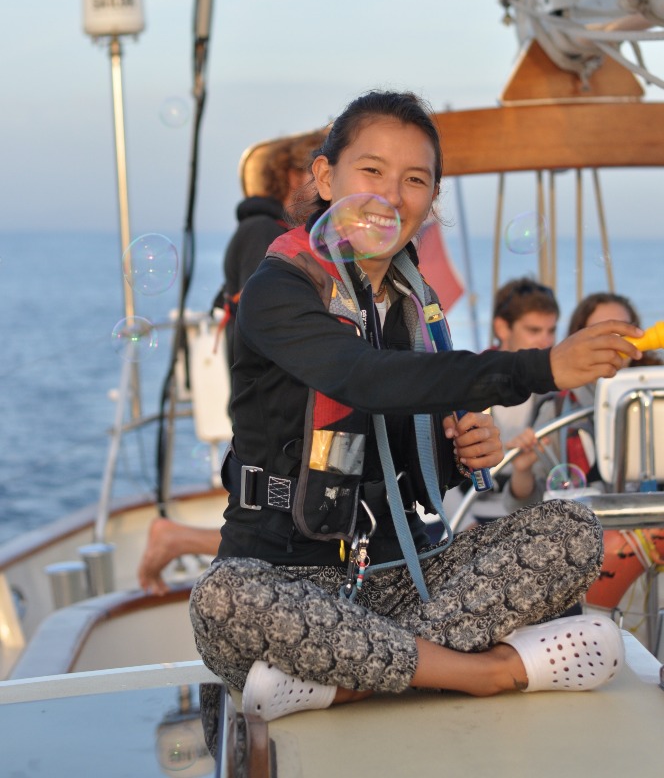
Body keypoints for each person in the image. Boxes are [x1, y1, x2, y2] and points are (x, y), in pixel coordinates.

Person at [189, 90, 641, 720]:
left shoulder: (415, 308)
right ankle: (484, 671)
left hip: (403, 578)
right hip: (285, 579)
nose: (391, 197)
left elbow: (405, 450)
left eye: (414, 180)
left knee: (573, 532)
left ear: (432, 200)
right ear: (325, 177)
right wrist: (541, 368)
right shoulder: (279, 289)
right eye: (372, 170)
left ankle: (347, 680)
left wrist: (460, 455)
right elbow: (362, 376)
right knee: (221, 599)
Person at [137, 130, 327, 595]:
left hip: (277, 399)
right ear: (290, 175)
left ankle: (176, 538)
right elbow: (278, 328)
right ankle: (174, 538)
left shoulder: (266, 232)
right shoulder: (264, 234)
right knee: (284, 517)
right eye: (317, 171)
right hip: (276, 406)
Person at [503, 291, 664, 610]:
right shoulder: (556, 409)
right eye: (603, 332)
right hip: (586, 559)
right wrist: (522, 469)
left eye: (624, 330)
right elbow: (526, 506)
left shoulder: (657, 393)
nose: (616, 342)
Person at [457, 278, 561, 526]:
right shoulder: (465, 381)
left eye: (551, 331)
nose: (546, 342)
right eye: (534, 331)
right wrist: (464, 524)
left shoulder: (555, 396)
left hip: (524, 515)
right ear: (502, 328)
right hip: (464, 515)